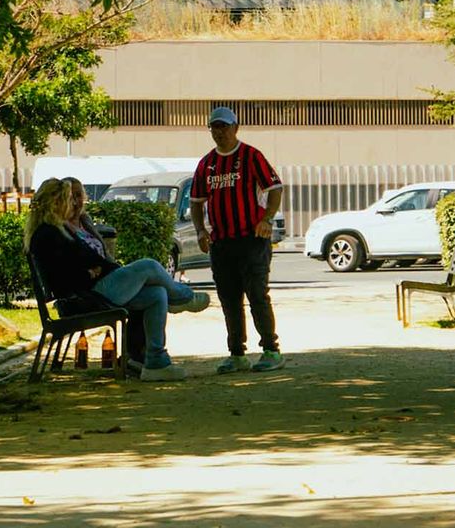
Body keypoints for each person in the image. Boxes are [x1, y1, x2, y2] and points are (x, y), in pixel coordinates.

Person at [26, 178, 209, 382]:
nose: (73, 203)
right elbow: (77, 267)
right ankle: (183, 297)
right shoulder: (49, 233)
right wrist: (89, 271)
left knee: (157, 294)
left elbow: (90, 262)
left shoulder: (55, 230)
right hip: (84, 298)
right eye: (68, 199)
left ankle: (156, 362)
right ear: (56, 202)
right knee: (148, 266)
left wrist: (94, 268)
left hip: (92, 291)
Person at [190, 106, 284, 373]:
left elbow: (275, 188)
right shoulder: (206, 163)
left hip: (251, 239)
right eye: (214, 127)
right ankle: (236, 353)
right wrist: (200, 230)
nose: (219, 132)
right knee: (229, 299)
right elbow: (197, 201)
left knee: (257, 294)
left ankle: (270, 349)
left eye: (223, 126)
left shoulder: (251, 156)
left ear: (235, 127)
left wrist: (267, 219)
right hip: (221, 243)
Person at [62, 177, 109, 257]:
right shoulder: (59, 227)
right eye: (70, 197)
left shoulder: (85, 220)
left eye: (79, 195)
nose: (75, 202)